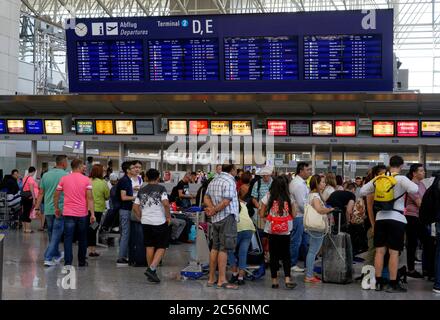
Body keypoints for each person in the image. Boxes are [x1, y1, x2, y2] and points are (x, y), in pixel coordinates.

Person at [360, 155, 418, 293]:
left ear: (389, 165)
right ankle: (392, 283)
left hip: (380, 218)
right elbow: (415, 190)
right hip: (396, 218)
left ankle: (378, 282)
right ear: (401, 166)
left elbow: (362, 191)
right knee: (393, 252)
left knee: (379, 251)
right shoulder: (401, 178)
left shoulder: (379, 178)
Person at [54, 159, 95, 267]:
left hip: (68, 213)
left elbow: (56, 195)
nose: (85, 168)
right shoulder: (86, 180)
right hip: (82, 214)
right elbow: (90, 198)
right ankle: (81, 261)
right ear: (79, 166)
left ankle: (68, 262)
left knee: (68, 238)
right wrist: (92, 214)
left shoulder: (64, 178)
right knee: (82, 238)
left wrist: (56, 208)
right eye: (83, 166)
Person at [204, 163, 239, 290]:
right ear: (232, 170)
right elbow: (226, 201)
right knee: (224, 248)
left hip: (215, 220)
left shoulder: (214, 180)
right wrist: (215, 210)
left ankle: (211, 278)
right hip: (227, 217)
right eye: (236, 170)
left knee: (215, 247)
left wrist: (212, 209)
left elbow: (206, 197)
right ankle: (222, 280)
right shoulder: (230, 181)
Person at [133, 169, 171, 283]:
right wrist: (168, 217)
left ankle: (151, 272)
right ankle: (152, 268)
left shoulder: (142, 190)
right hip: (159, 221)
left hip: (146, 222)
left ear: (146, 178)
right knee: (162, 246)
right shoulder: (161, 189)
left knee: (149, 246)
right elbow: (165, 204)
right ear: (158, 177)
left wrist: (141, 218)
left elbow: (135, 207)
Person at [259, 176, 297, 289]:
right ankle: (287, 279)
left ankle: (274, 281)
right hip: (286, 231)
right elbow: (294, 215)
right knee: (286, 255)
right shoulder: (289, 197)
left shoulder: (269, 196)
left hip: (272, 230)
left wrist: (269, 219)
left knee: (274, 255)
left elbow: (261, 214)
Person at [34, 155, 68, 267]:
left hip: (48, 209)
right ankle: (48, 258)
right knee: (57, 234)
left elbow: (40, 193)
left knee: (52, 234)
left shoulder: (46, 175)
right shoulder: (66, 175)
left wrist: (37, 208)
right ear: (63, 163)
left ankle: (57, 255)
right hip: (60, 209)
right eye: (66, 162)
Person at [305, 174, 334, 283]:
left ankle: (309, 273)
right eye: (322, 182)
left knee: (312, 250)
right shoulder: (315, 196)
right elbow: (319, 209)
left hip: (314, 226)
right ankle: (309, 275)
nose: (324, 184)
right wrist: (330, 209)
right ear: (317, 183)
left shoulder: (312, 194)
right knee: (313, 251)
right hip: (317, 226)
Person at [405, 163, 429, 278]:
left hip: (420, 217)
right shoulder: (411, 186)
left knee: (427, 242)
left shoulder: (422, 185)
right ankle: (411, 269)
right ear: (414, 173)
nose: (423, 172)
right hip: (412, 217)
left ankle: (427, 268)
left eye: (423, 171)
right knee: (412, 243)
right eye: (421, 171)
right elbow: (420, 203)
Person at [228, 187, 256, 286]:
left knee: (230, 250)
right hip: (249, 228)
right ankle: (240, 277)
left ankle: (234, 273)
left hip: (238, 229)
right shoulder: (242, 204)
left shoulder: (229, 205)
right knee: (242, 253)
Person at [289, 162, 312, 273]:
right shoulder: (298, 184)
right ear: (301, 171)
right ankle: (292, 264)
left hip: (302, 216)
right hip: (298, 216)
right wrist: (311, 214)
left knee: (305, 241)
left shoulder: (301, 183)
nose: (309, 172)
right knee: (296, 241)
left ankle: (308, 263)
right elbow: (302, 204)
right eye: (308, 170)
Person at [364, 164, 387, 266]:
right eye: (381, 174)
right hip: (373, 224)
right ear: (375, 175)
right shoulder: (372, 187)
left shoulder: (386, 186)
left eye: (385, 174)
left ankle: (379, 275)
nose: (384, 176)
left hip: (383, 223)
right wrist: (373, 225)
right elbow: (369, 208)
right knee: (373, 250)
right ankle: (367, 276)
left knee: (382, 251)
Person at [115, 161, 137, 266]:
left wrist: (133, 190)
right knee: (125, 234)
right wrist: (136, 197)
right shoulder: (125, 180)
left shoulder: (127, 180)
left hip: (127, 209)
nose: (135, 169)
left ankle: (124, 255)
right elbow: (123, 197)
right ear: (128, 170)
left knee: (125, 233)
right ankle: (121, 257)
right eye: (133, 168)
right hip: (125, 210)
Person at [88, 164, 110, 257]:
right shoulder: (103, 183)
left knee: (87, 229)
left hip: (86, 209)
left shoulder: (87, 181)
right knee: (93, 229)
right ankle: (92, 251)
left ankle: (87, 249)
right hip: (97, 210)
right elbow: (107, 196)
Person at [21, 166, 39, 234]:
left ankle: (24, 229)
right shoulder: (31, 178)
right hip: (29, 197)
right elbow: (31, 189)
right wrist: (34, 198)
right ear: (34, 171)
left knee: (24, 212)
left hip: (23, 196)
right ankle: (28, 229)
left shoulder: (24, 178)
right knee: (28, 212)